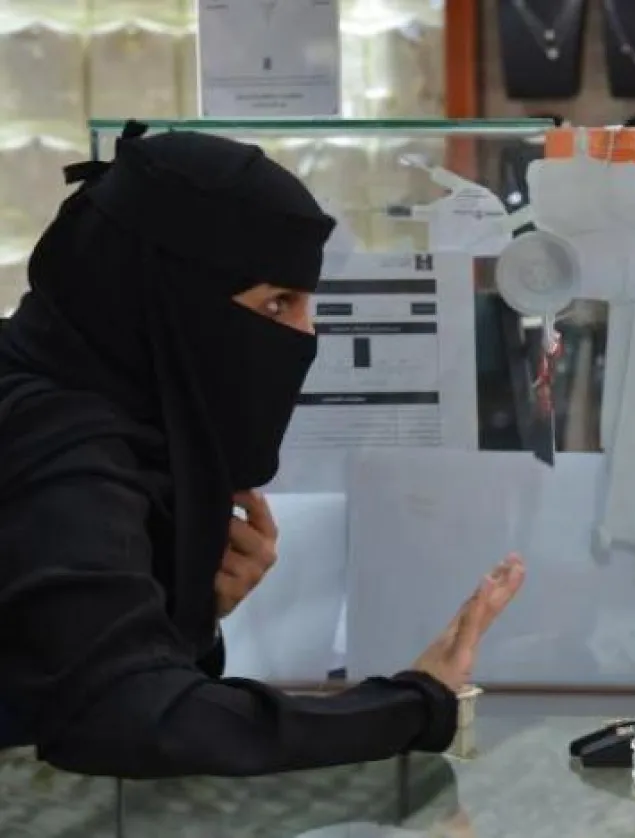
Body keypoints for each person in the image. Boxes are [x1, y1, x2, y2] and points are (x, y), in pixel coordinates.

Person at [0, 122, 526, 778]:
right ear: (175, 304)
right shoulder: (61, 448)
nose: (305, 336)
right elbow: (123, 718)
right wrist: (410, 705)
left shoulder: (82, 405)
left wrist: (188, 609)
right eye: (277, 303)